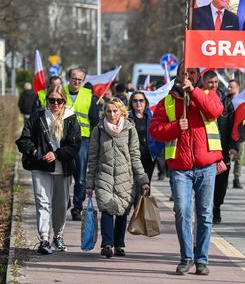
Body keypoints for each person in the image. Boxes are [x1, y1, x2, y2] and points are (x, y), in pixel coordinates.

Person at [150, 63, 223, 276]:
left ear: (198, 75)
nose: (188, 76)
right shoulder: (169, 101)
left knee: (205, 213)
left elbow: (215, 111)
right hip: (180, 167)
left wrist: (194, 91)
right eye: (184, 73)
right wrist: (174, 127)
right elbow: (155, 130)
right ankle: (186, 257)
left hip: (206, 165)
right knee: (182, 211)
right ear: (178, 76)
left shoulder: (208, 94)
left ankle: (201, 259)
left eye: (192, 73)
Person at [16, 84, 81, 254]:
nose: (56, 104)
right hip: (41, 167)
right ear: (47, 100)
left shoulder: (71, 118)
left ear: (64, 101)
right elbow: (24, 139)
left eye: (59, 100)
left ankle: (58, 235)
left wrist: (58, 154)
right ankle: (44, 239)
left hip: (63, 167)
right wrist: (36, 151)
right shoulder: (37, 117)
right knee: (42, 202)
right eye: (52, 100)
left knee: (60, 205)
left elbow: (75, 146)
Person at [86, 98, 150, 258]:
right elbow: (92, 157)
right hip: (104, 177)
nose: (112, 114)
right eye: (108, 111)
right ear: (104, 112)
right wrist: (89, 183)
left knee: (122, 211)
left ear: (122, 111)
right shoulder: (98, 130)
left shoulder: (129, 129)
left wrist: (142, 179)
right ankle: (107, 244)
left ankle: (119, 244)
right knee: (107, 209)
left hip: (125, 178)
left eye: (115, 111)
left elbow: (135, 156)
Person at [65, 67, 100, 221]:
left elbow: (94, 121)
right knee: (62, 174)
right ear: (69, 78)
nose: (76, 81)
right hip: (63, 139)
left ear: (83, 80)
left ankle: (77, 207)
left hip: (82, 140)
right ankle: (64, 200)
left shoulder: (89, 96)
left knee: (80, 176)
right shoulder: (60, 92)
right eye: (74, 78)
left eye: (80, 79)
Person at [202, 71, 237, 224]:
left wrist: (233, 146)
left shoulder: (226, 102)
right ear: (204, 82)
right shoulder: (199, 98)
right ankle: (207, 208)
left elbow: (233, 125)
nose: (214, 85)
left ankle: (217, 206)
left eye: (216, 82)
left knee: (222, 183)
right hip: (205, 150)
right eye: (210, 82)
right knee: (207, 182)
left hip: (222, 150)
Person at [128, 91, 163, 184]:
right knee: (134, 184)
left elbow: (159, 134)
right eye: (135, 101)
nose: (138, 103)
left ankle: (145, 199)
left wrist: (157, 150)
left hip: (149, 156)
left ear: (145, 102)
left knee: (146, 184)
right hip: (133, 156)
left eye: (141, 100)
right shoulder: (127, 118)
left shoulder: (152, 116)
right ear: (131, 103)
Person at [228, 79, 244, 189]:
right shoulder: (226, 101)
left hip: (240, 132)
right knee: (227, 156)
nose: (229, 89)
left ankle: (236, 178)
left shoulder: (243, 101)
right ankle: (224, 177)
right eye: (229, 87)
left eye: (232, 87)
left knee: (239, 156)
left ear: (238, 88)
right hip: (228, 132)